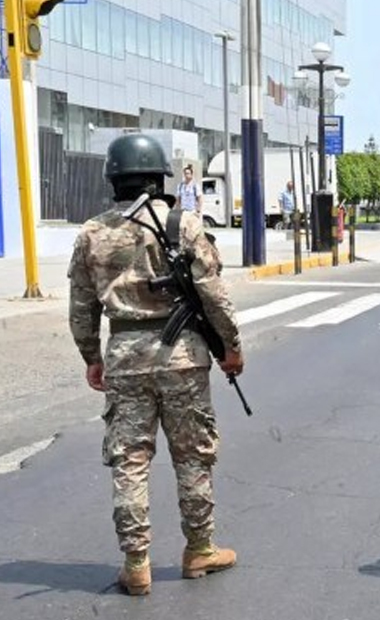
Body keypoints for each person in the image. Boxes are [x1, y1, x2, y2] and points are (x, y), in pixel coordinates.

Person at [68, 134, 244, 596]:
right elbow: (214, 294)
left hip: (124, 359)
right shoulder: (181, 224)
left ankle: (136, 563)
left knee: (129, 461)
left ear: (113, 179)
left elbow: (81, 307)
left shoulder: (90, 233)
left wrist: (91, 357)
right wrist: (231, 346)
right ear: (159, 176)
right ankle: (200, 548)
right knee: (193, 456)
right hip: (183, 358)